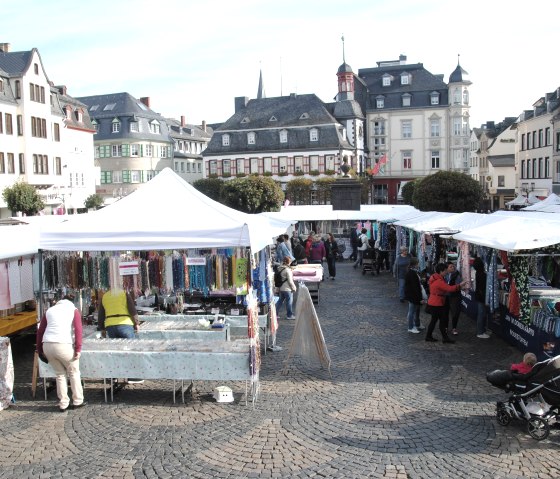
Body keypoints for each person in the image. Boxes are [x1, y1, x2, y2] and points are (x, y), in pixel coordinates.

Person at [36, 296, 85, 412]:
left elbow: (40, 331)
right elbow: (78, 329)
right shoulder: (73, 310)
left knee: (60, 374)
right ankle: (78, 400)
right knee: (73, 372)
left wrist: (39, 349)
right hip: (63, 343)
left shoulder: (50, 310)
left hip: (47, 344)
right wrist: (78, 349)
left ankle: (63, 403)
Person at [98, 287, 143, 383]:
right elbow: (132, 309)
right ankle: (132, 376)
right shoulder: (124, 293)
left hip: (110, 325)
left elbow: (101, 314)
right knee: (130, 350)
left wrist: (102, 328)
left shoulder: (105, 296)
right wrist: (136, 323)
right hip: (125, 324)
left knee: (114, 352)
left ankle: (113, 376)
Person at [425, 263, 467, 343]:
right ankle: (441, 338)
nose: (446, 272)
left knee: (436, 321)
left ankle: (435, 337)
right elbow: (449, 288)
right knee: (439, 321)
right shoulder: (439, 281)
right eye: (445, 271)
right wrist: (460, 285)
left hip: (434, 302)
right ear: (441, 271)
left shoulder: (434, 277)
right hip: (437, 303)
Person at [404, 257, 426, 333]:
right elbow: (414, 287)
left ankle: (417, 324)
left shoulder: (414, 272)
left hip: (414, 295)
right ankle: (410, 327)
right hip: (413, 296)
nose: (419, 264)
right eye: (418, 263)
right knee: (412, 312)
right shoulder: (412, 273)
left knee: (416, 310)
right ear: (415, 264)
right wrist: (420, 298)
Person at [473, 257, 490, 339]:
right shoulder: (482, 274)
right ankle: (480, 332)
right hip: (482, 296)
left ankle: (482, 330)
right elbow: (483, 288)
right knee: (481, 314)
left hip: (479, 296)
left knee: (482, 313)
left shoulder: (478, 273)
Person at [445, 262, 463, 335]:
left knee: (455, 313)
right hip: (446, 296)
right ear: (447, 268)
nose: (453, 268)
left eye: (453, 266)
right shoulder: (444, 275)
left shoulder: (457, 275)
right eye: (451, 267)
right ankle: (445, 327)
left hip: (455, 296)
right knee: (445, 313)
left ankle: (454, 328)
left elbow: (458, 286)